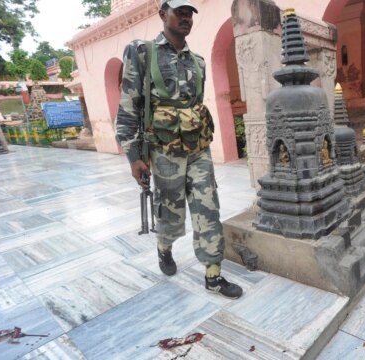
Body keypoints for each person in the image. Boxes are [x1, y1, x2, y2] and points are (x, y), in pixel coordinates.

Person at [115, 0, 242, 299]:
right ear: (163, 14)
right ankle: (164, 248)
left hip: (198, 147)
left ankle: (213, 274)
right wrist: (134, 157)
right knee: (171, 212)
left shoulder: (198, 61)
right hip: (163, 150)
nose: (185, 18)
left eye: (189, 13)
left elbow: (195, 105)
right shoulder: (141, 51)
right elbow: (128, 107)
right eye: (179, 12)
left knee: (207, 208)